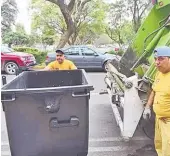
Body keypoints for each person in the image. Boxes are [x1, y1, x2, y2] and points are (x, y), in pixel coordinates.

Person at [143, 46, 170, 156]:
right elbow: (154, 90)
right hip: (159, 120)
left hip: (168, 122)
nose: (157, 63)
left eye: (161, 59)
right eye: (155, 59)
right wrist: (147, 107)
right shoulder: (159, 73)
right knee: (159, 145)